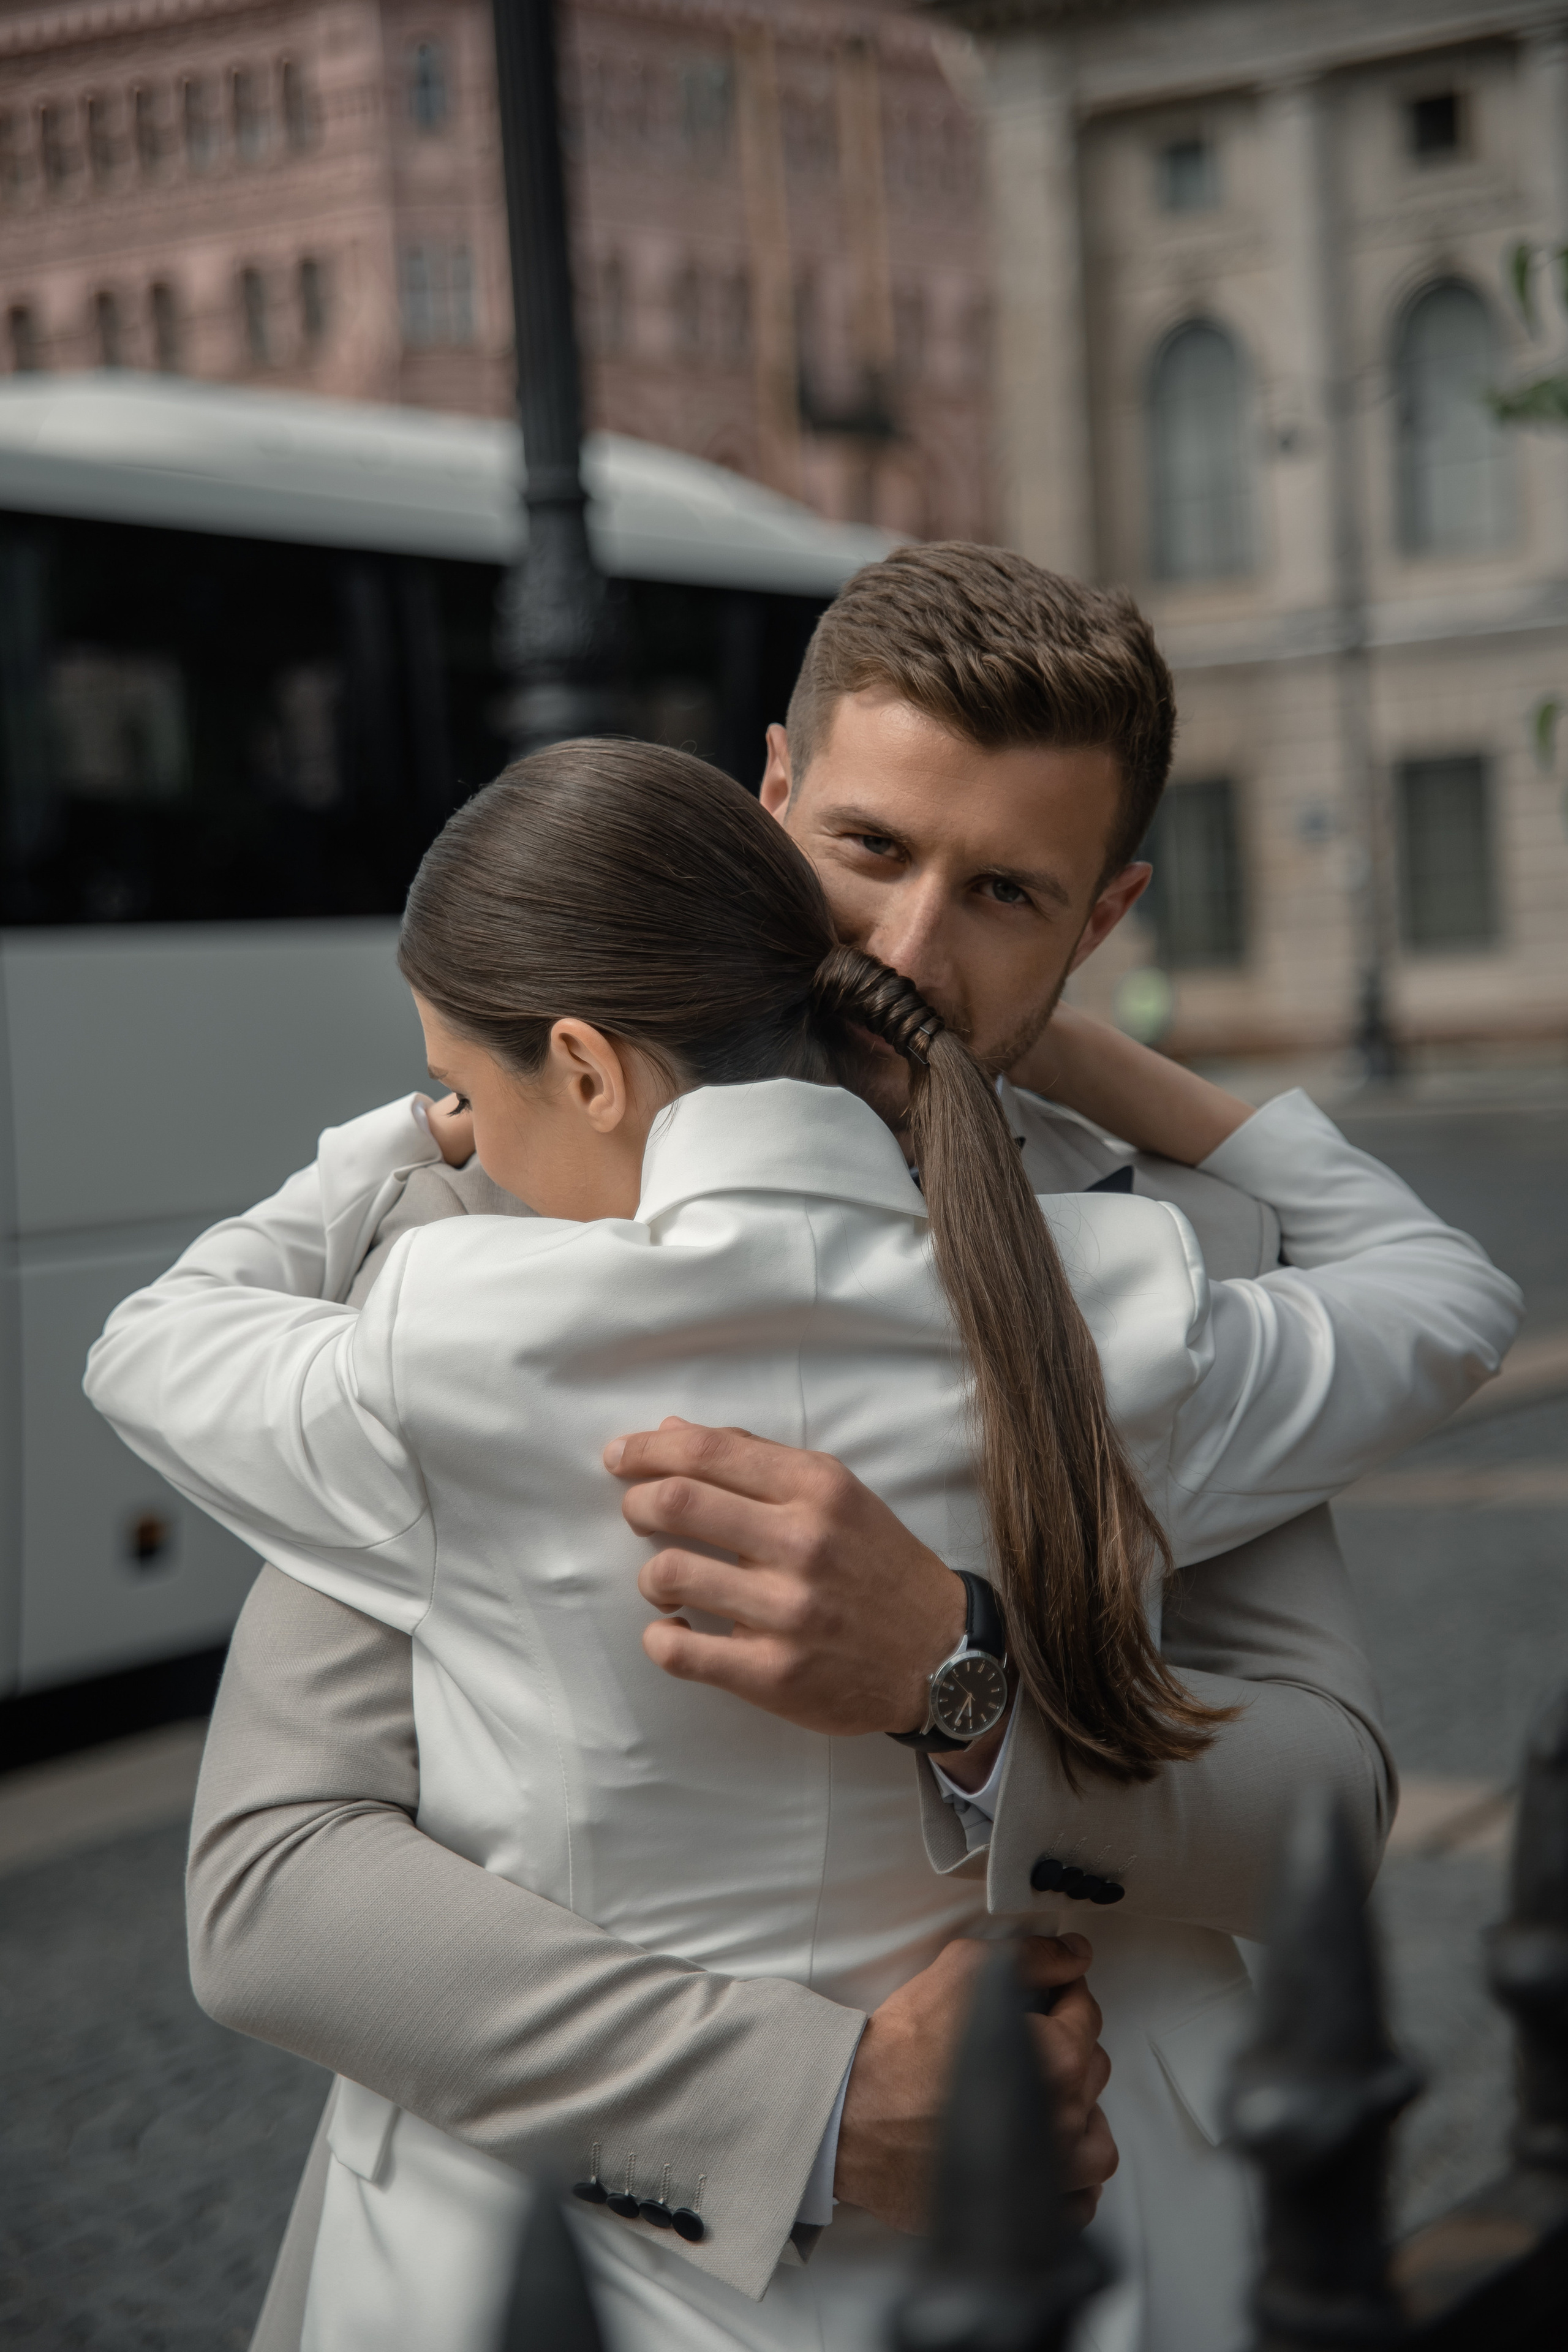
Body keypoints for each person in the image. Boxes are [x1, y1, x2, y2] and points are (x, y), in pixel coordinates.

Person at [88, 741, 1519, 2352]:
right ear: (772, 820)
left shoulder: (435, 1320)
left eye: (1000, 891)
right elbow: (284, 1882)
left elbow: (151, 1345)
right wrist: (821, 2105)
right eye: (870, 852)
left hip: (706, 2265)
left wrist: (964, 1680)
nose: (905, 949)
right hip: (859, 2218)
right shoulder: (1127, 1300)